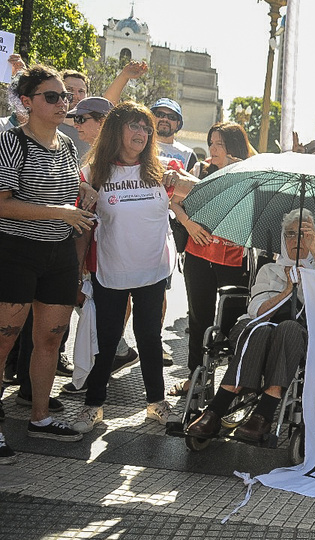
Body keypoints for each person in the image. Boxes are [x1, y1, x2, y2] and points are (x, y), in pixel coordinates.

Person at [0, 65, 97, 448]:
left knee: (52, 339)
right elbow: (3, 205)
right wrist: (61, 212)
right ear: (27, 102)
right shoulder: (11, 142)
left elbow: (71, 182)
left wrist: (84, 191)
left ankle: (39, 417)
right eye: (52, 97)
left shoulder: (68, 143)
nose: (63, 104)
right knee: (5, 340)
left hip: (58, 253)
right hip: (15, 252)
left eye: (66, 97)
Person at [69, 101, 179, 434]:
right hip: (110, 272)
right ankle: (93, 408)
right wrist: (77, 273)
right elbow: (82, 226)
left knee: (149, 337)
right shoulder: (92, 174)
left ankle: (157, 404)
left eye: (146, 128)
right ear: (116, 130)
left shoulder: (163, 169)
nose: (142, 133)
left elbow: (193, 194)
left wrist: (182, 178)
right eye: (134, 126)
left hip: (153, 271)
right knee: (107, 340)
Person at [185, 209, 315, 443]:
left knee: (289, 328)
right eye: (290, 234)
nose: (296, 240)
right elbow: (257, 311)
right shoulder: (269, 270)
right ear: (282, 239)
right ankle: (220, 410)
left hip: (296, 334)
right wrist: (287, 289)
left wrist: (314, 258)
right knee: (262, 329)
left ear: (314, 237)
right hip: (254, 327)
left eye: (304, 234)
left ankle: (259, 413)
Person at [167, 122, 256, 397]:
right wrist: (188, 224)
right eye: (211, 142)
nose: (213, 149)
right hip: (198, 254)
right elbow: (174, 200)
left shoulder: (252, 172)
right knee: (198, 320)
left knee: (231, 325)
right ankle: (196, 380)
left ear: (234, 146)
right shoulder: (201, 170)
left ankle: (230, 387)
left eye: (220, 144)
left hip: (233, 258)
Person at [150, 98, 198, 171]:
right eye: (160, 114)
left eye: (171, 117)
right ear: (152, 118)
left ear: (178, 124)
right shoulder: (140, 147)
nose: (165, 119)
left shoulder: (188, 155)